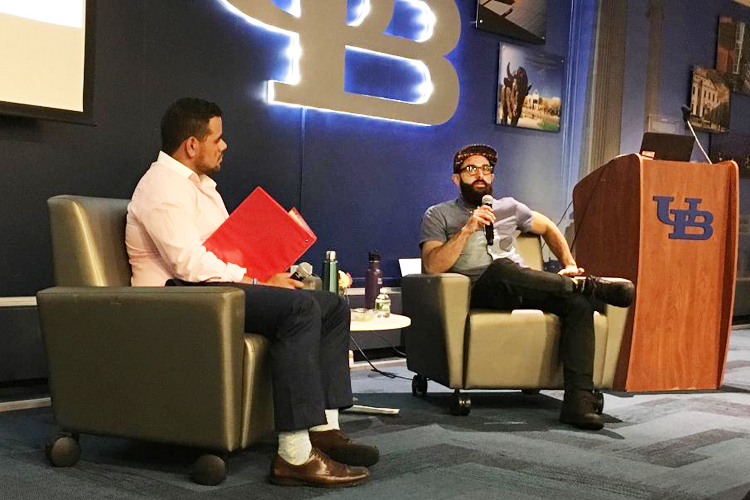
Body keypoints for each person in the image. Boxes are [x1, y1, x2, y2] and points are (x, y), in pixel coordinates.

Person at [125, 97, 378, 487]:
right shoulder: (161, 186)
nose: (224, 146)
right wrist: (258, 280)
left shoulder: (204, 188)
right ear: (192, 145)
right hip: (177, 300)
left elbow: (228, 249)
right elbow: (187, 264)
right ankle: (293, 456)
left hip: (212, 294)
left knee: (329, 304)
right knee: (298, 308)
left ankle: (323, 429)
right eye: (218, 138)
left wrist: (270, 262)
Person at [419, 144, 635, 431]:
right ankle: (588, 286)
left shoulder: (509, 207)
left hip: (522, 283)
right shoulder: (438, 215)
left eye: (486, 169)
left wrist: (569, 263)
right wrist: (467, 229)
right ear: (456, 179)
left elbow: (547, 227)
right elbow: (432, 266)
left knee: (577, 305)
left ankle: (577, 402)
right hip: (480, 289)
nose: (480, 175)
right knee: (501, 268)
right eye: (471, 169)